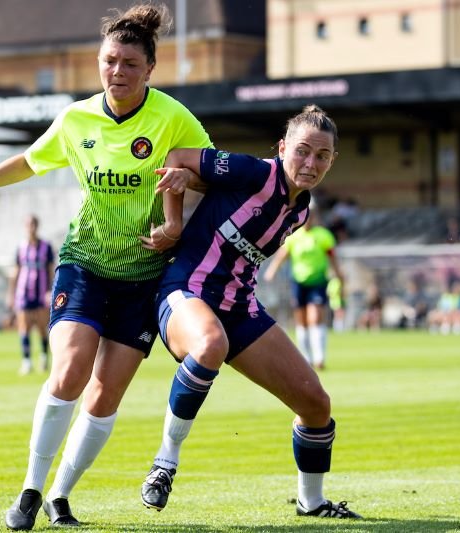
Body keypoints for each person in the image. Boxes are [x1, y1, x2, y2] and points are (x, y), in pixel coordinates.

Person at [0, 4, 212, 529]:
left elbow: (209, 173)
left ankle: (61, 494)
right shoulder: (76, 118)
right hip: (84, 260)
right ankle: (29, 492)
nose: (118, 71)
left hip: (143, 275)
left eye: (131, 63)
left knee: (105, 394)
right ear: (98, 62)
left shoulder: (174, 118)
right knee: (69, 371)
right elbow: (29, 160)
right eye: (110, 60)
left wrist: (182, 205)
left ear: (150, 70)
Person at [139, 105, 362, 520]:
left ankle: (311, 504)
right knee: (210, 344)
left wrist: (198, 184)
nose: (310, 163)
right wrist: (173, 224)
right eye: (302, 151)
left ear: (333, 160)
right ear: (282, 148)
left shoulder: (301, 211)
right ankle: (164, 464)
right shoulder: (255, 172)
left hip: (239, 307)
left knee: (316, 404)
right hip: (185, 291)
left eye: (322, 155)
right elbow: (178, 158)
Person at [263, 205, 345, 370]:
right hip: (298, 282)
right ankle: (306, 359)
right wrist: (272, 271)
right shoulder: (294, 236)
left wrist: (339, 274)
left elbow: (332, 257)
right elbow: (283, 255)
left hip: (318, 281)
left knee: (315, 317)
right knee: (302, 321)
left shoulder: (323, 236)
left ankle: (319, 358)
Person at [7, 215, 56, 375]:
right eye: (28, 225)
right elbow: (15, 272)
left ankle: (43, 358)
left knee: (42, 328)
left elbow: (51, 270)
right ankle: (27, 361)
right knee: (24, 327)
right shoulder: (21, 247)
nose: (31, 228)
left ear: (37, 226)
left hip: (41, 293)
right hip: (24, 293)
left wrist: (51, 290)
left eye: (33, 224)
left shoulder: (46, 247)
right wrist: (11, 294)